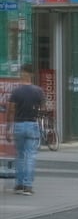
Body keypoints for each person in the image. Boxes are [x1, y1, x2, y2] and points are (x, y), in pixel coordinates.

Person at [6, 64, 43, 196]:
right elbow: (42, 108)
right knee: (30, 155)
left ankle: (19, 184)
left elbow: (11, 110)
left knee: (20, 155)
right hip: (32, 124)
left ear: (22, 74)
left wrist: (8, 129)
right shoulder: (38, 91)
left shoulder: (16, 91)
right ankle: (27, 186)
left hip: (19, 125)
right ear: (31, 75)